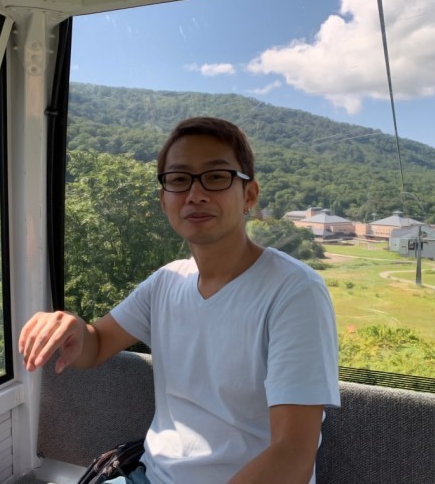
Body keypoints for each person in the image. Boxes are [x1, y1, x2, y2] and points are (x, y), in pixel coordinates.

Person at [19, 116, 340, 484]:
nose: (195, 194)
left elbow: (293, 455)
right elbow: (97, 343)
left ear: (249, 195)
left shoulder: (294, 291)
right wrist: (73, 328)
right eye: (178, 179)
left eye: (216, 177)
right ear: (164, 200)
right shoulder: (166, 282)